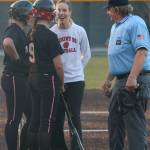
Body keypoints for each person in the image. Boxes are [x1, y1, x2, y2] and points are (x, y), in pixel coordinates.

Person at [102, 0, 150, 150]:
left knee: (135, 127)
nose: (107, 12)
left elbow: (141, 51)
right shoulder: (115, 27)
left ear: (116, 9)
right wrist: (107, 79)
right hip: (120, 82)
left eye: (108, 9)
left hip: (134, 81)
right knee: (114, 124)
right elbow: (117, 57)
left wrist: (132, 77)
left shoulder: (135, 23)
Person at [50, 0, 91, 149]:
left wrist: (78, 69)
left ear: (70, 12)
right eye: (58, 10)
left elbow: (87, 54)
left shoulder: (79, 31)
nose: (61, 13)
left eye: (64, 10)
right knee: (57, 120)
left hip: (76, 82)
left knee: (74, 117)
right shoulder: (52, 32)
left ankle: (77, 147)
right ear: (55, 12)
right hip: (58, 81)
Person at [27, 0, 64, 150]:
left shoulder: (30, 33)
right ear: (48, 13)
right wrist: (61, 83)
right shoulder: (50, 35)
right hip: (47, 79)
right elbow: (59, 66)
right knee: (46, 122)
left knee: (34, 119)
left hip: (32, 77)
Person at [1, 1, 32, 150]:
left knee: (32, 116)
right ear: (22, 15)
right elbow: (7, 43)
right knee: (14, 119)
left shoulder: (20, 31)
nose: (31, 17)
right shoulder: (13, 29)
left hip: (20, 78)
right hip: (14, 77)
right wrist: (18, 59)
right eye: (29, 14)